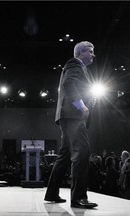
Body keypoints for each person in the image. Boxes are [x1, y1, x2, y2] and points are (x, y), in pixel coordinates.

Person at [44, 41, 98, 209]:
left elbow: (75, 86)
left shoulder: (80, 68)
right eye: (90, 51)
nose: (93, 54)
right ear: (80, 52)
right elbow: (69, 84)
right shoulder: (75, 63)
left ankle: (52, 193)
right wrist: (81, 105)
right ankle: (79, 198)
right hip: (73, 116)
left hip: (68, 116)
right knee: (82, 153)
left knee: (65, 156)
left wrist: (89, 99)